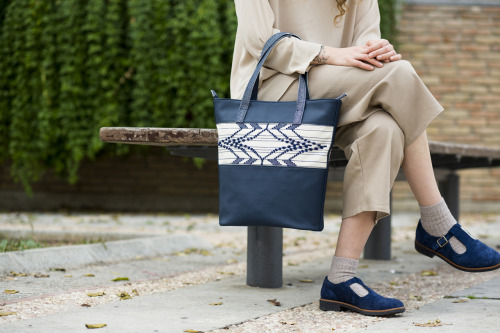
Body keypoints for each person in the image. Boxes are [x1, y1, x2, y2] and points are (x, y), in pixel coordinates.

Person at [231, 0, 500, 317]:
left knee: (383, 129)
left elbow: (366, 49)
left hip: (339, 93)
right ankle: (438, 224)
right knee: (398, 76)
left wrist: (376, 51)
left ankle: (341, 280)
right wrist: (333, 54)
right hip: (276, 90)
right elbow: (259, 41)